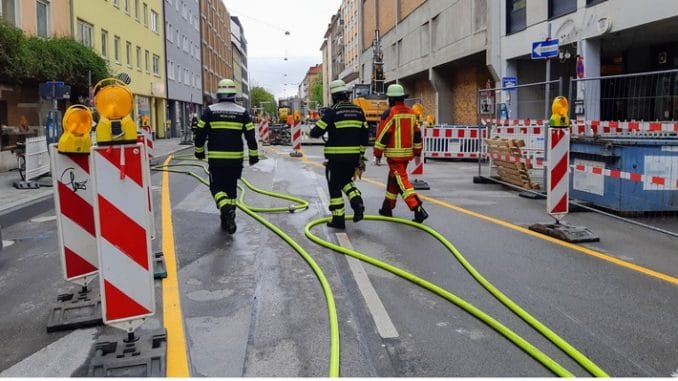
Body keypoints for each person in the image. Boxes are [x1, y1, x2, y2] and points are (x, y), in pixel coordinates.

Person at [194, 79, 259, 233]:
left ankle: (225, 208)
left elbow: (199, 133)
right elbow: (250, 136)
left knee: (216, 187)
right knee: (231, 189)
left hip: (217, 160)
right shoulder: (242, 112)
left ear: (219, 93)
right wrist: (253, 155)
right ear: (234, 94)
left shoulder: (210, 111)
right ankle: (228, 219)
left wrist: (199, 151)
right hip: (235, 161)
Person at [310, 79, 368, 229]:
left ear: (334, 96)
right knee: (346, 182)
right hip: (353, 158)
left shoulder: (332, 111)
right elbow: (365, 136)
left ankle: (338, 220)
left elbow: (316, 132)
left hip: (335, 159)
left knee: (335, 186)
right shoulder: (358, 111)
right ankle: (357, 202)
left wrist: (316, 129)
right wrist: (360, 156)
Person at [373, 84, 428, 223]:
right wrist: (417, 152)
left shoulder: (390, 113)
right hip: (406, 156)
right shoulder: (411, 113)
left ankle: (417, 209)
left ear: (391, 99)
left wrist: (377, 154)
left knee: (402, 182)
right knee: (394, 180)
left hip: (394, 156)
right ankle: (387, 207)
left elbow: (383, 135)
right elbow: (417, 134)